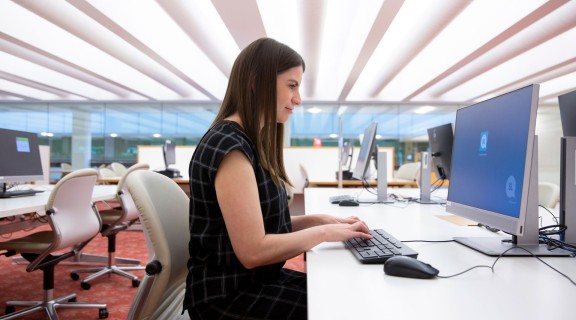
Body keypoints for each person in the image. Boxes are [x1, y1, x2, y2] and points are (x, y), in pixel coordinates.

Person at [184, 37, 372, 319]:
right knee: (343, 308)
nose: (298, 99)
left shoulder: (247, 141)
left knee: (344, 293)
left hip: (255, 282)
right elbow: (253, 250)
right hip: (227, 298)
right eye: (292, 86)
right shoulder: (230, 148)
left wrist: (318, 220)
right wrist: (323, 234)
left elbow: (260, 226)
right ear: (257, 82)